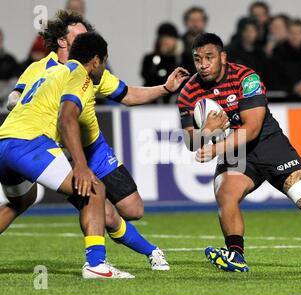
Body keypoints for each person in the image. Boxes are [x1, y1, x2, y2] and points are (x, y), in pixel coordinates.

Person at [4, 10, 189, 271]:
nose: (86, 37)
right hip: (53, 145)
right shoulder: (43, 68)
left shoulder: (91, 69)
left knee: (131, 208)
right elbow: (25, 101)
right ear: (62, 40)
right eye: (79, 33)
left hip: (90, 147)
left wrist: (166, 88)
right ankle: (101, 263)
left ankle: (135, 254)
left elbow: (127, 94)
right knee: (97, 198)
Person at [177, 33, 301, 273]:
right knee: (226, 194)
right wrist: (205, 131)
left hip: (269, 145)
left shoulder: (245, 78)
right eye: (197, 59)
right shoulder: (189, 93)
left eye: (209, 57)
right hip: (237, 153)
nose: (203, 64)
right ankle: (236, 256)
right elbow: (191, 141)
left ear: (223, 57)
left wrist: (214, 146)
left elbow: (253, 128)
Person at [0, 32, 133, 279]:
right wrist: (82, 166)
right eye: (103, 62)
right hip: (29, 143)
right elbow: (67, 119)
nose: (102, 68)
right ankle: (96, 264)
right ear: (95, 61)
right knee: (94, 189)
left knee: (20, 201)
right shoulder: (79, 75)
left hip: (4, 141)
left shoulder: (49, 70)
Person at [141, 22, 183, 103]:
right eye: (163, 38)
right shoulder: (150, 58)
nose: (165, 42)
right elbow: (146, 77)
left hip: (176, 102)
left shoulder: (184, 58)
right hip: (153, 102)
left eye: (169, 38)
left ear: (176, 40)